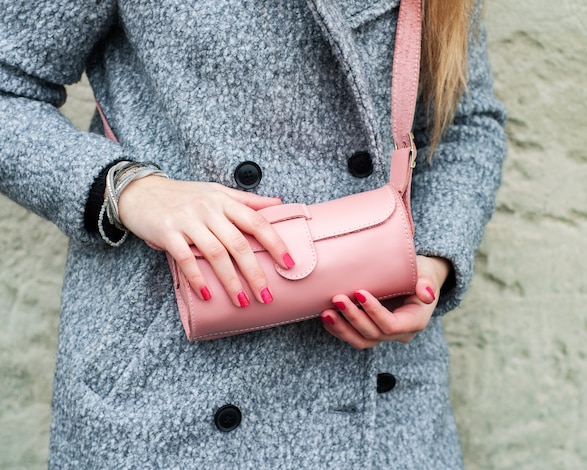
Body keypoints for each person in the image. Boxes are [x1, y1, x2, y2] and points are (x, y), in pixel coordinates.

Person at [0, 0, 506, 467]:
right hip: (171, 381)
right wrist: (132, 191)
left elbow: (464, 121)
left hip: (382, 394)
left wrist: (428, 264)